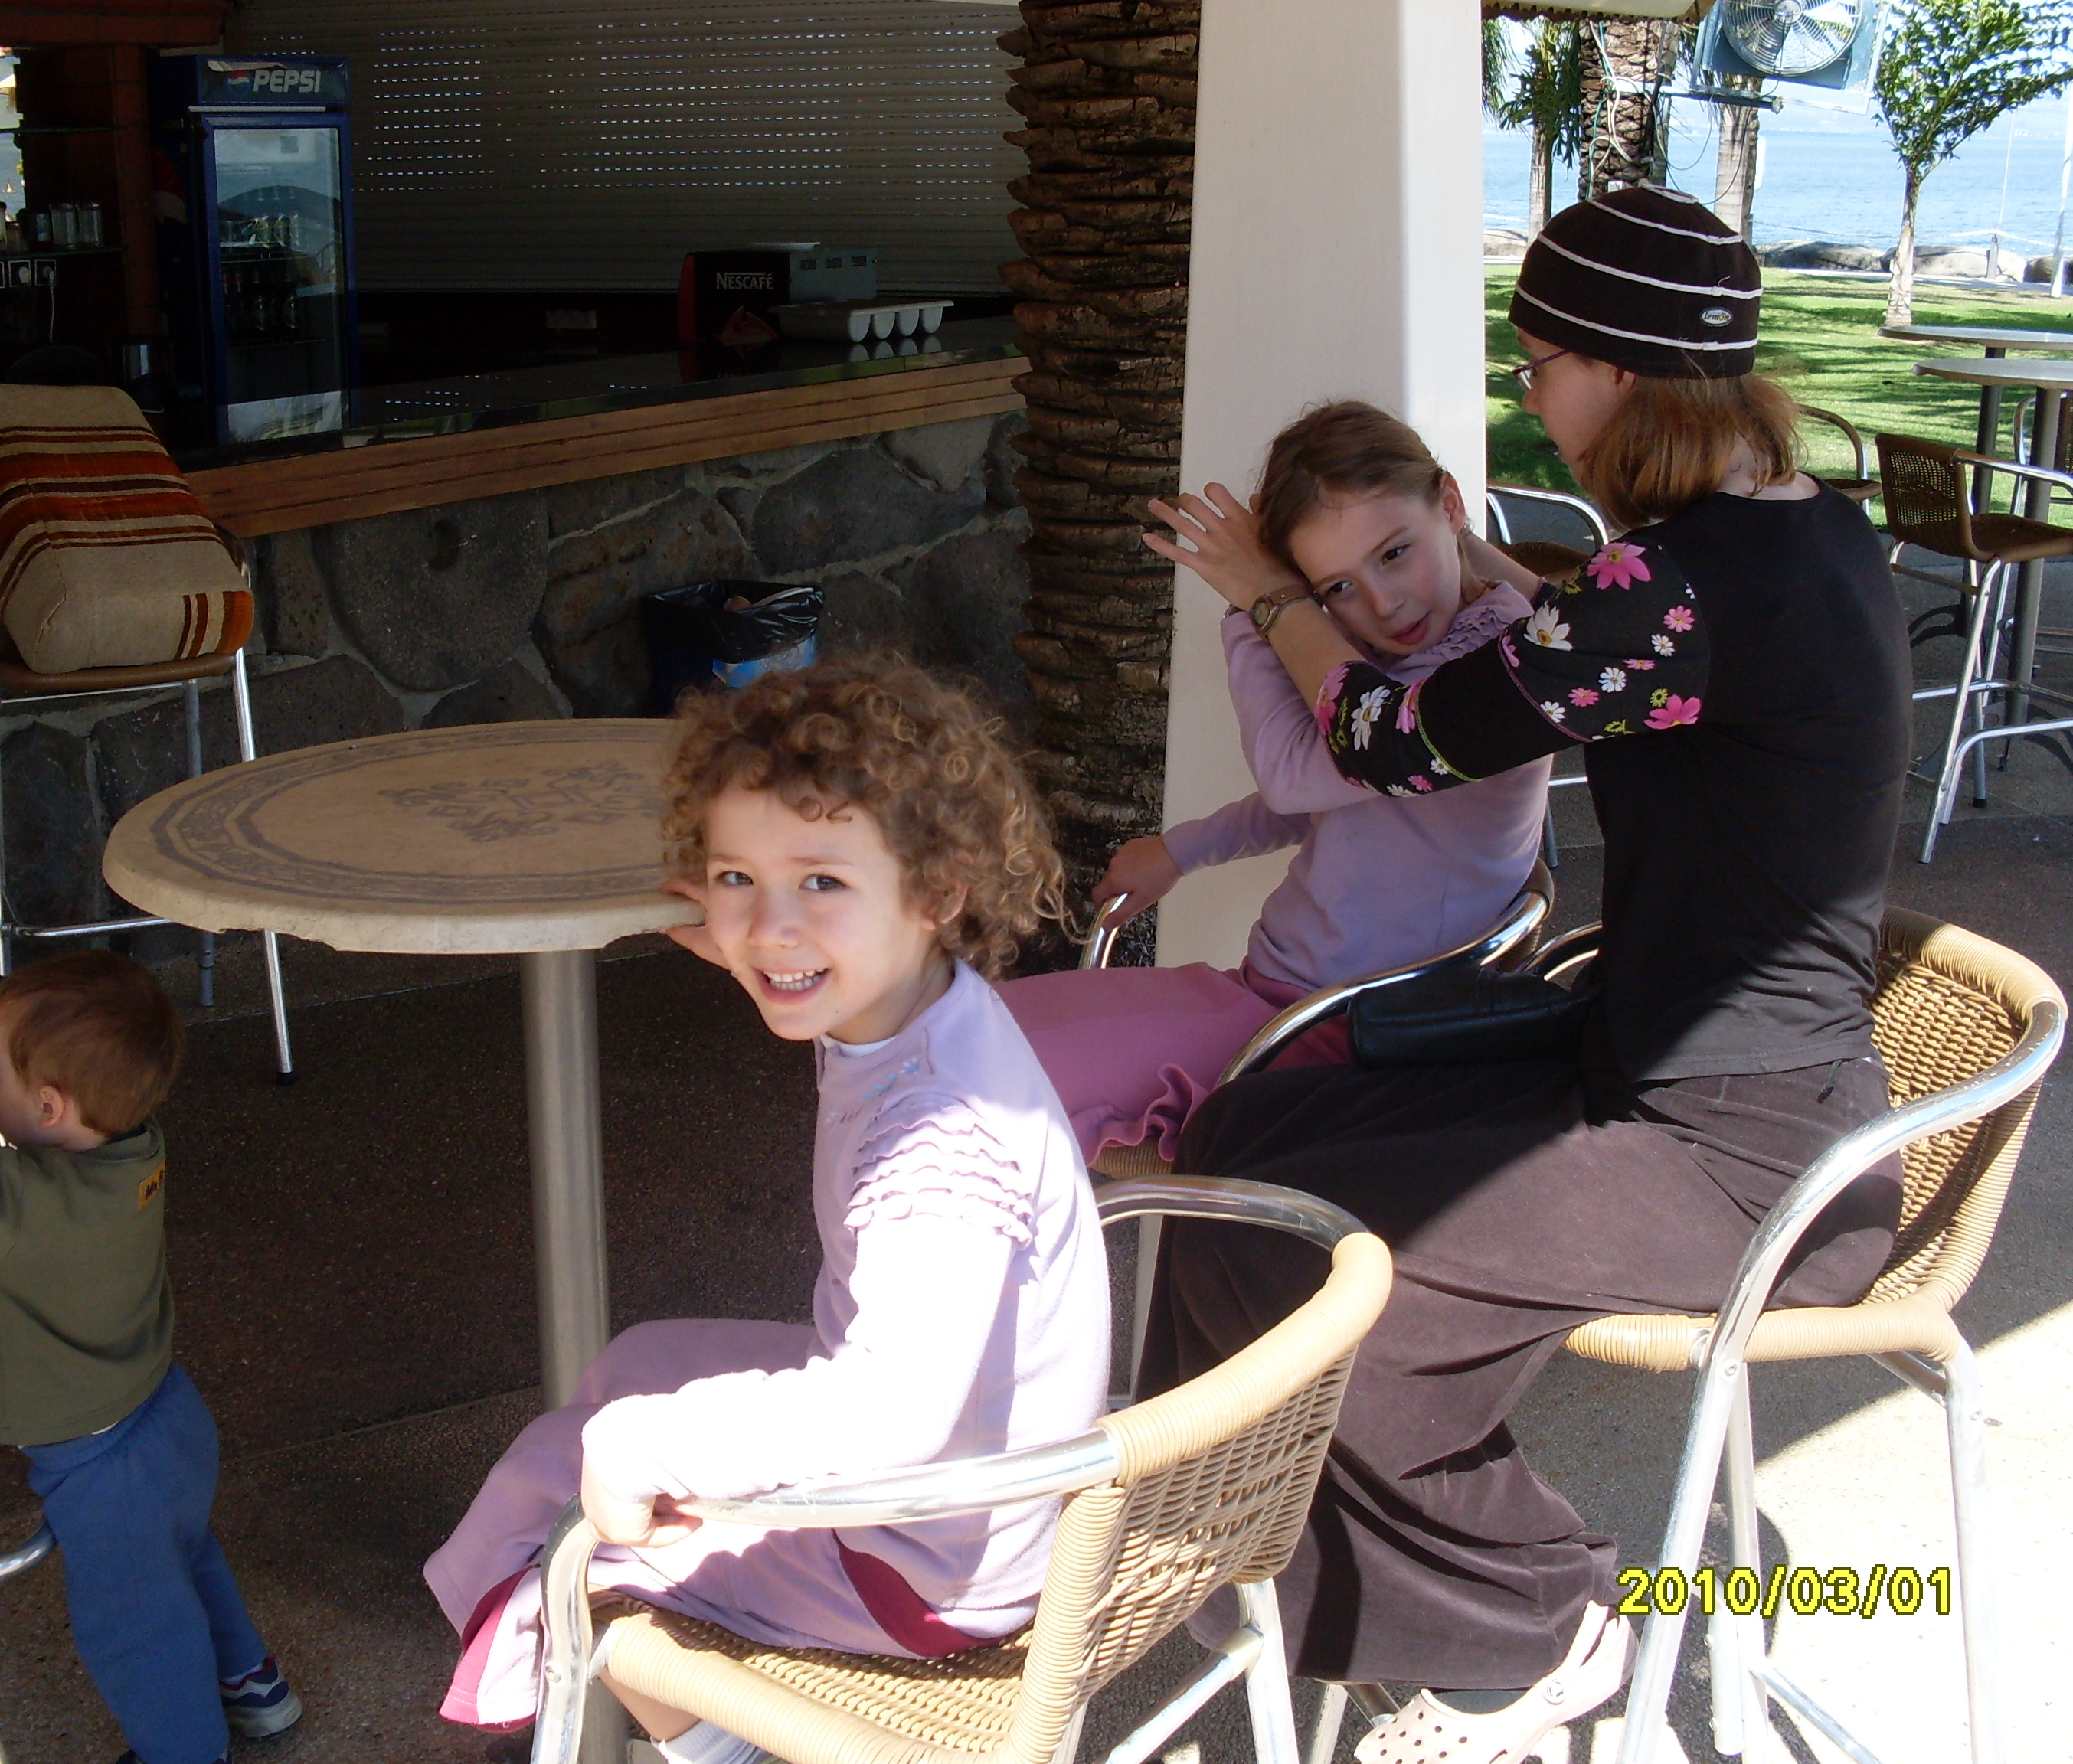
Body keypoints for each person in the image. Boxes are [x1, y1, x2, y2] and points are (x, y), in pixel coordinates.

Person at [1138, 186, 1910, 1764]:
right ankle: (1261, 1559)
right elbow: (1571, 641)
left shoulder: (1674, 588)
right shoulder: (1793, 534)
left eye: (1539, 360)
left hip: (1747, 1150)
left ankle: (1535, 1631)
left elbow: (1381, 735)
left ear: (1615, 372)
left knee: (1337, 1280)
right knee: (1240, 1148)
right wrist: (1458, 558)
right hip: (1645, 1063)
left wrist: (1270, 597)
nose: (1529, 390)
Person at [424, 659, 1108, 1762]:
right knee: (640, 1358)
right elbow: (797, 936)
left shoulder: (938, 1149)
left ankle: (715, 1741)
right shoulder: (924, 1005)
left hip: (923, 1570)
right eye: (736, 877)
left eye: (821, 883)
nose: (770, 925)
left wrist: (646, 1446)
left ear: (938, 893)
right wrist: (765, 940)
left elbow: (891, 1414)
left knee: (569, 1519)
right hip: (983, 1477)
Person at [999, 402, 1551, 1164]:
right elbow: (1330, 801)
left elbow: (1296, 778)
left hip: (1330, 1036)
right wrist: (1181, 850)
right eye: (1339, 588)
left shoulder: (1488, 670)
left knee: (965, 1069)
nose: (1383, 603)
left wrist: (1255, 603)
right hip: (1280, 999)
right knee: (959, 1037)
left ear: (1451, 504)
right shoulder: (1444, 646)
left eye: (1394, 553)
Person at [0, 952, 301, 1764]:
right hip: (166, 1412)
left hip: (101, 1462)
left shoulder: (27, 1209)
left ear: (47, 1105)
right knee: (183, 1558)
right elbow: (79, 1032)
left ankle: (187, 1753)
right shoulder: (132, 1145)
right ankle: (254, 1685)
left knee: (136, 1627)